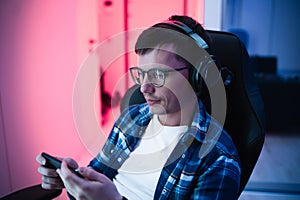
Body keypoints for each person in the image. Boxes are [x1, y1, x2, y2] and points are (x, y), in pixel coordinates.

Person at [36, 15, 241, 200]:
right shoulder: (132, 117)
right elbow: (97, 175)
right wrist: (74, 181)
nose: (144, 88)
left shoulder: (217, 158)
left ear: (198, 77)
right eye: (141, 75)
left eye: (158, 75)